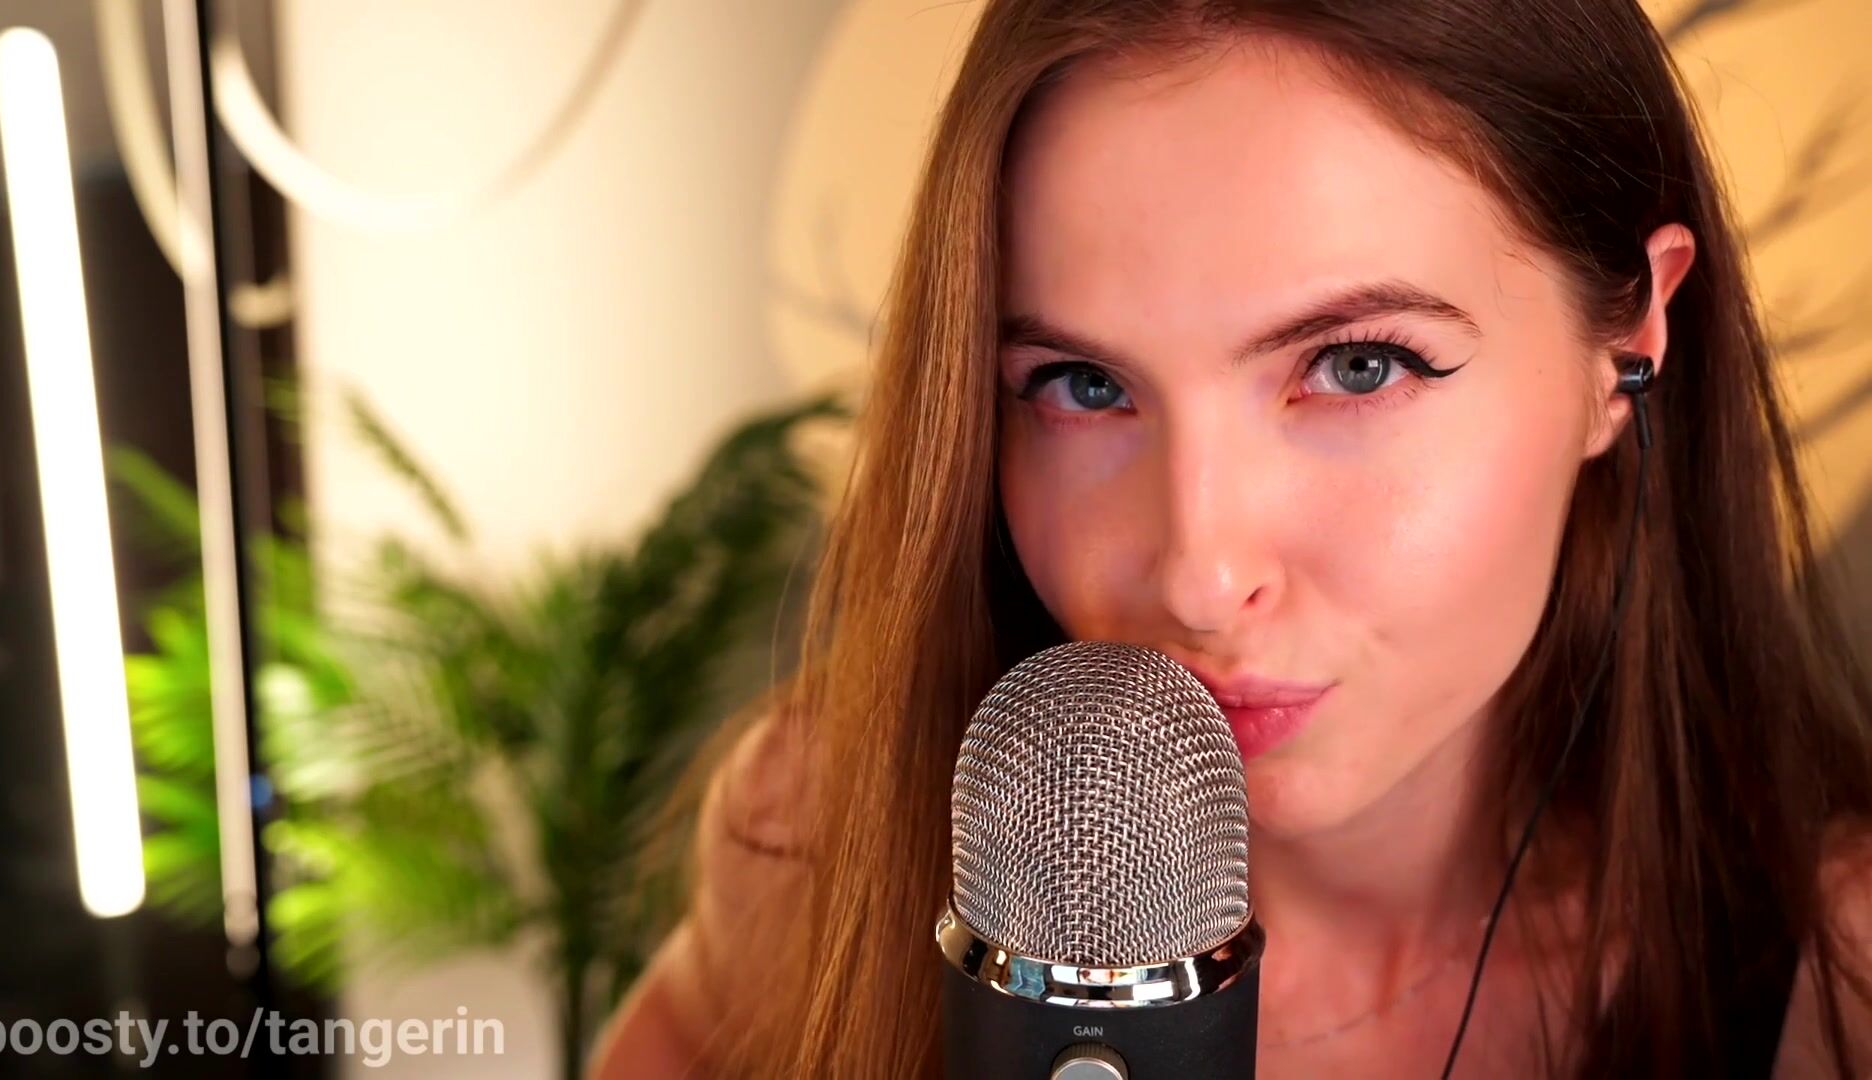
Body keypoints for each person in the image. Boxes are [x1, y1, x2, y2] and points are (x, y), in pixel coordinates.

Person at [588, 0, 1872, 1075]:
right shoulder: (826, 846)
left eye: (1359, 366)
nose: (1199, 577)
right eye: (1082, 385)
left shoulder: (1842, 987)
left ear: (1628, 342)